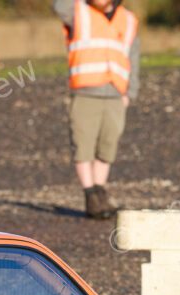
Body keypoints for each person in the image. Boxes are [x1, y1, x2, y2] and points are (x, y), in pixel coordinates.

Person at [54, 0, 140, 219]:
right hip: (85, 92)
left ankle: (100, 191)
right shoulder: (77, 12)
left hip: (115, 94)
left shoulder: (128, 20)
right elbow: (57, 5)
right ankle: (90, 194)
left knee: (107, 145)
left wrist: (130, 93)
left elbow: (133, 58)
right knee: (83, 144)